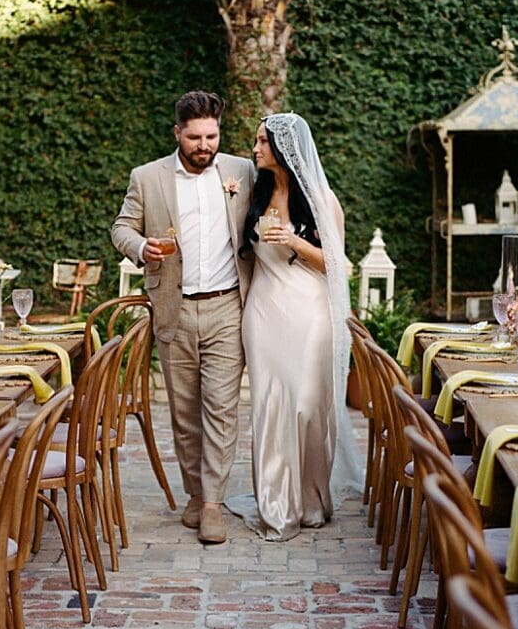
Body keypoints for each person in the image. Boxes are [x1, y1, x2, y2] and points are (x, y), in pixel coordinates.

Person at [113, 91, 255, 546]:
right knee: (184, 412)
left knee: (221, 408)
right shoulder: (147, 177)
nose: (204, 145)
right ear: (178, 133)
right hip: (173, 307)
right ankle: (195, 491)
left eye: (211, 136)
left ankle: (212, 502)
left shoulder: (241, 172)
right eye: (194, 137)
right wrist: (141, 247)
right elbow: (122, 227)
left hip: (227, 306)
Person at [239, 114, 364, 539]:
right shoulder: (253, 195)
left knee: (308, 405)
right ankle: (276, 505)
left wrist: (294, 242)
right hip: (263, 313)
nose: (255, 149)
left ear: (284, 148)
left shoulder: (321, 199)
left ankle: (312, 499)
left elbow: (338, 265)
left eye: (262, 142)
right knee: (269, 405)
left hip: (310, 312)